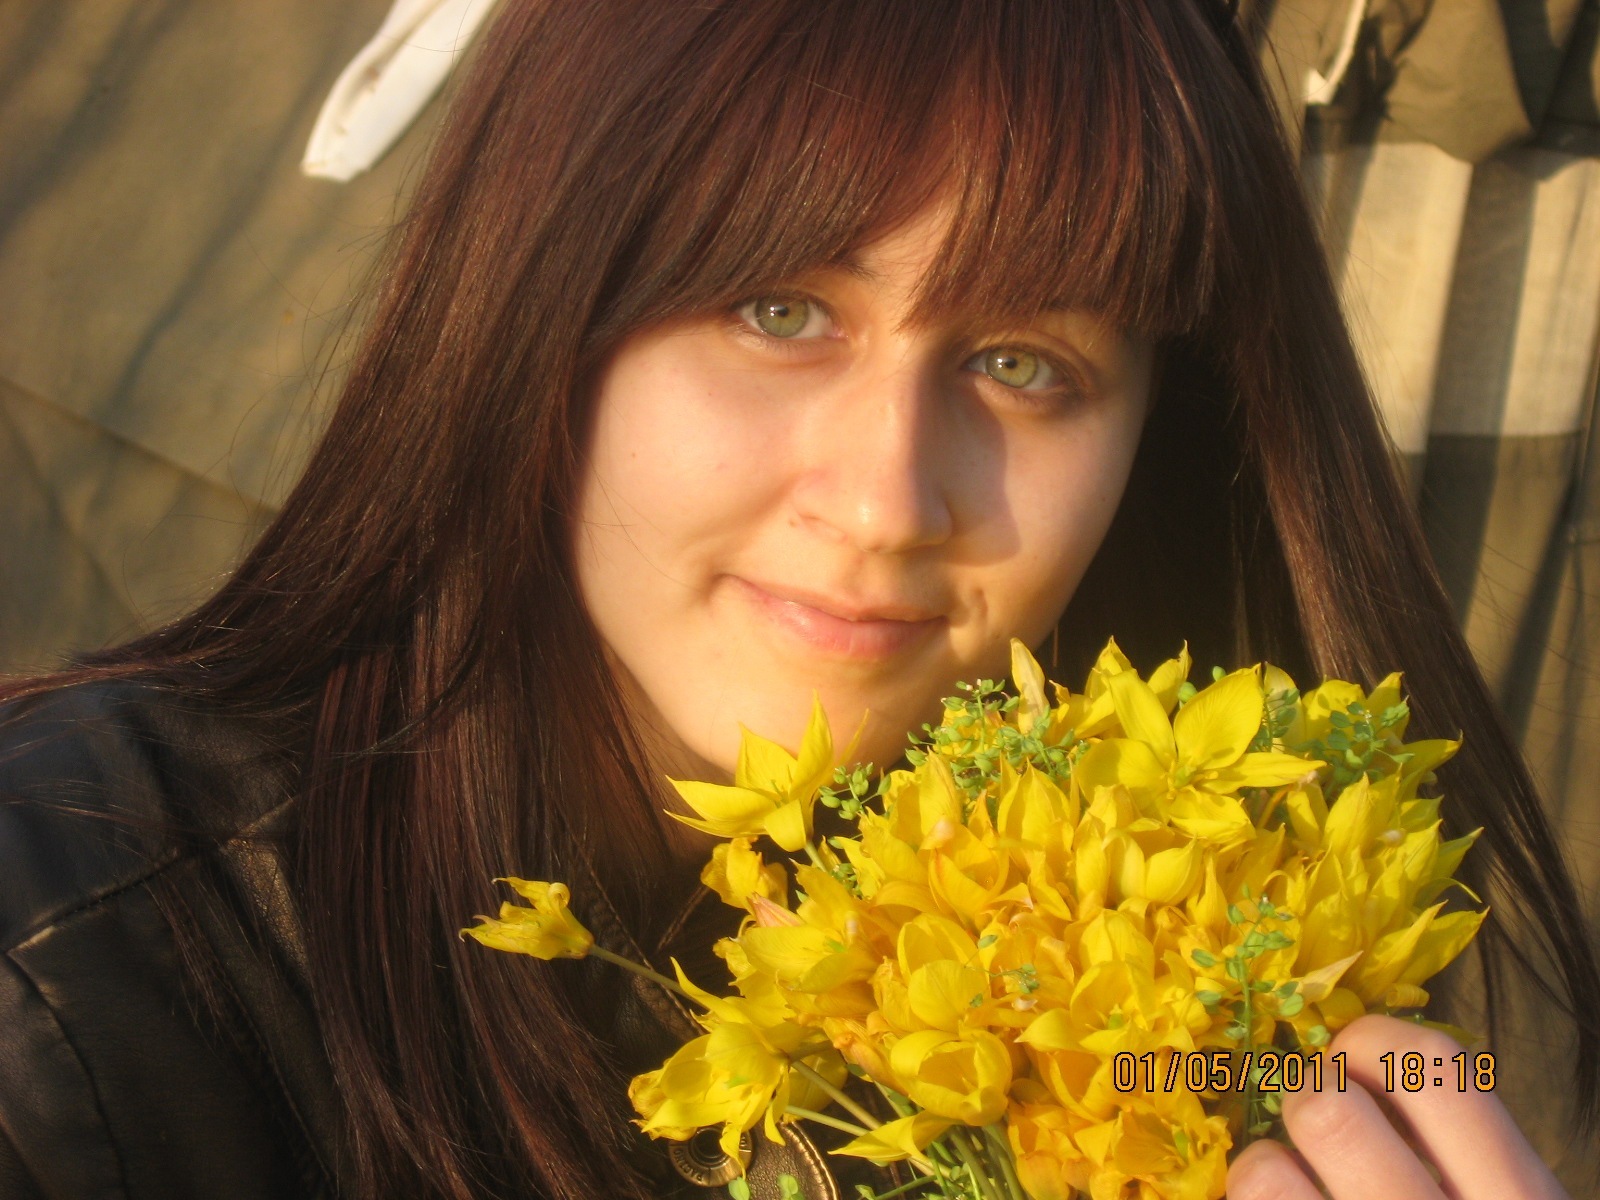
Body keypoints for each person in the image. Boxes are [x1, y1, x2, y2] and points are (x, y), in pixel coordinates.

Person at [0, 1, 1591, 1198]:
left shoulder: (1163, 1004)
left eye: (1022, 362)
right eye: (778, 311)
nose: (890, 502)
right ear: (534, 298)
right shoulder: (64, 974)